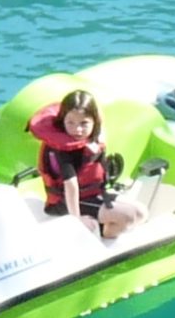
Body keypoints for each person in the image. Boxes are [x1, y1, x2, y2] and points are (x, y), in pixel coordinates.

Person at [28, 90, 145, 239]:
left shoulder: (94, 138)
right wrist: (76, 220)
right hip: (65, 204)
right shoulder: (62, 149)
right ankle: (105, 238)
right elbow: (71, 185)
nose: (77, 129)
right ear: (62, 121)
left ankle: (104, 227)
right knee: (128, 217)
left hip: (93, 195)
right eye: (70, 122)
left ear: (94, 121)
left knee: (141, 213)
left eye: (84, 123)